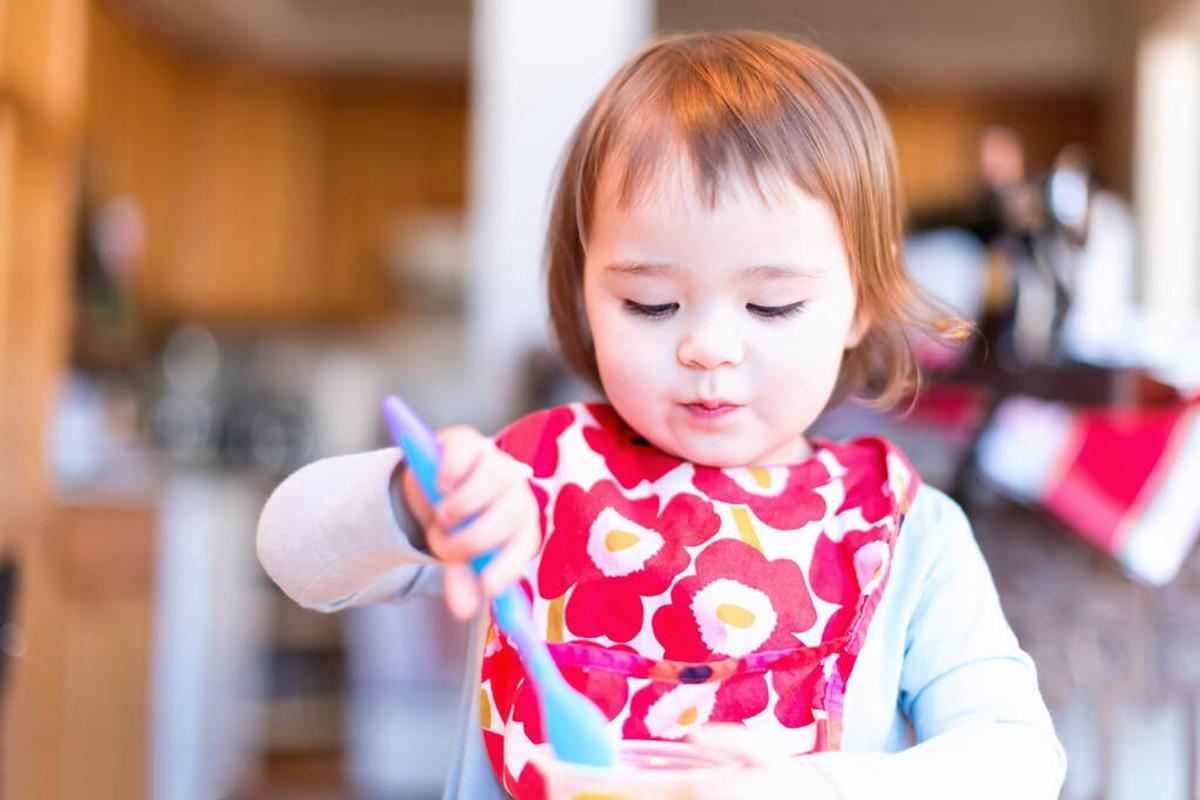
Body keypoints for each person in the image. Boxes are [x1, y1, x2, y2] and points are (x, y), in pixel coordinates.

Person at [257, 31, 1066, 799]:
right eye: (650, 303)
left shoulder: (907, 535)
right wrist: (411, 504)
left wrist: (816, 786)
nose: (708, 347)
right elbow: (291, 552)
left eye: (772, 304)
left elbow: (1019, 757)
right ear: (586, 292)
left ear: (858, 305)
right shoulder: (531, 486)